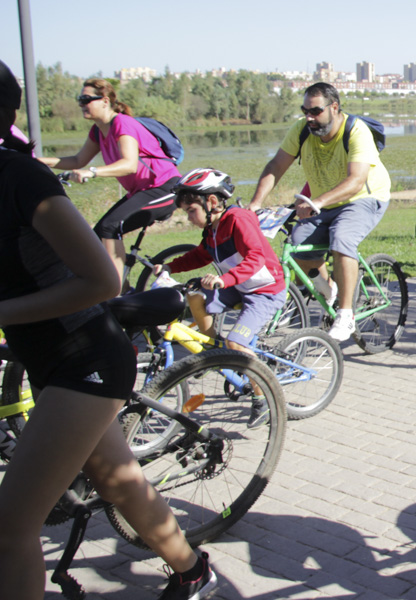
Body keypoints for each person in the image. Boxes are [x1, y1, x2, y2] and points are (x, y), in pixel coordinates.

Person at [0, 59, 215, 600]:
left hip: (85, 358)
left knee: (9, 531)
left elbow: (98, 280)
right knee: (120, 481)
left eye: (87, 100)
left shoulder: (19, 176)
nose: (84, 108)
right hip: (53, 357)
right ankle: (193, 573)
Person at [248, 82, 391, 342]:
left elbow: (356, 181)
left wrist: (317, 202)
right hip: (325, 201)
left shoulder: (356, 131)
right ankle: (328, 289)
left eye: (315, 111)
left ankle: (346, 315)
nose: (309, 118)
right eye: (305, 111)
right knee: (298, 245)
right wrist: (255, 204)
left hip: (365, 197)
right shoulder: (302, 131)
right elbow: (276, 165)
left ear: (334, 107)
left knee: (342, 238)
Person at [153, 168, 286, 428]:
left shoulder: (237, 219)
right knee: (194, 295)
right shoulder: (212, 230)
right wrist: (170, 267)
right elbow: (199, 256)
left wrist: (223, 280)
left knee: (237, 344)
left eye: (191, 210)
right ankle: (215, 350)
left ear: (211, 202)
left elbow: (255, 258)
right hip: (238, 286)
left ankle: (263, 400)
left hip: (264, 291)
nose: (190, 218)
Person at [37, 78, 181, 286]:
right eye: (80, 100)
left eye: (86, 99)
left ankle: (114, 288)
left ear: (105, 101)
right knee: (98, 234)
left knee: (111, 226)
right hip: (141, 191)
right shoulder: (98, 130)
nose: (81, 105)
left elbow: (129, 164)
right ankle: (118, 287)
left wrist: (92, 172)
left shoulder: (122, 123)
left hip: (164, 188)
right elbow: (78, 160)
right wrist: (37, 161)